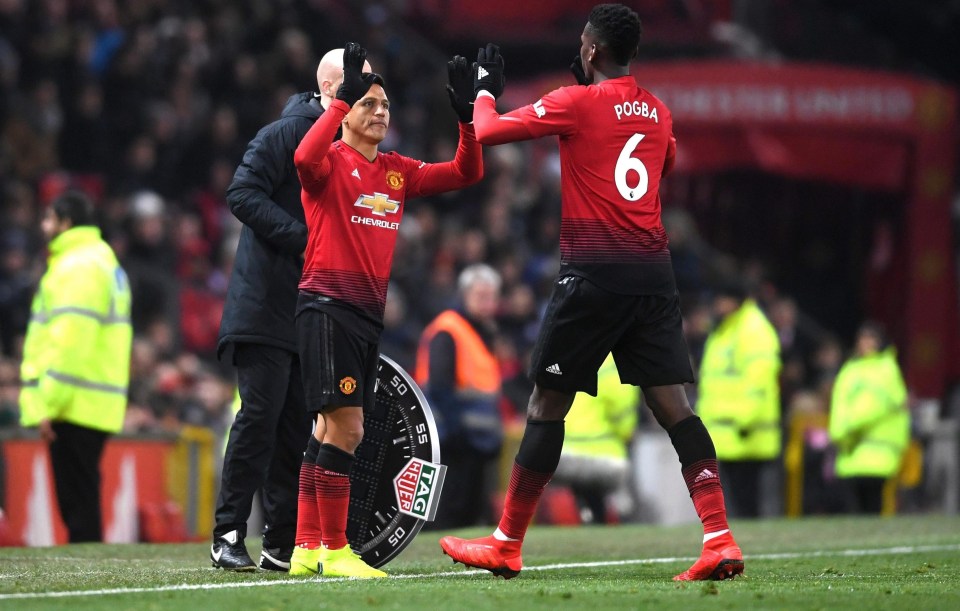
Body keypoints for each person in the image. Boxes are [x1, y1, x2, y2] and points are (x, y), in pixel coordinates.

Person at [439, 3, 744, 581]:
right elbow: (663, 164)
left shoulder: (575, 100)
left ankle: (506, 542)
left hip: (595, 274)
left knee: (545, 405)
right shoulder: (658, 111)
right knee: (675, 407)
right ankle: (719, 538)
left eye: (583, 43)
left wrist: (482, 92)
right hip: (653, 275)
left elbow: (490, 129)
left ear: (592, 51)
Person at [288, 43, 483, 578]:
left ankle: (307, 549)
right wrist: (337, 102)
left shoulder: (397, 172)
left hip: (363, 314)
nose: (379, 112)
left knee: (326, 432)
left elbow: (466, 173)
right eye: (368, 103)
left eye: (385, 106)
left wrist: (466, 119)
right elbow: (301, 159)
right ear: (346, 110)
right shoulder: (328, 162)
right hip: (328, 306)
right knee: (348, 431)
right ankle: (335, 550)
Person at [211, 48, 372, 572]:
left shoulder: (350, 149)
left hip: (311, 308)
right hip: (263, 305)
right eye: (362, 87)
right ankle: (229, 533)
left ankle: (281, 544)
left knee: (293, 430)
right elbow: (241, 193)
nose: (374, 98)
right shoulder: (287, 133)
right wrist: (305, 240)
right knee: (259, 419)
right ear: (332, 89)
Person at [18, 191, 132, 543]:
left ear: (66, 223)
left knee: (77, 505)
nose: (44, 226)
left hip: (74, 402)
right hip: (92, 399)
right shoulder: (101, 261)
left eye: (49, 218)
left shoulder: (78, 266)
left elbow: (70, 343)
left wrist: (48, 404)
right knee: (81, 498)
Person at [415, 263, 504, 529]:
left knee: (469, 513)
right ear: (464, 295)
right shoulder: (449, 330)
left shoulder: (484, 332)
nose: (488, 303)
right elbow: (440, 386)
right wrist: (456, 430)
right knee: (448, 512)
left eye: (492, 296)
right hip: (452, 440)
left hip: (476, 442)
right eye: (481, 296)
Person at [696, 281, 782, 518]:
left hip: (746, 432)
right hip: (727, 432)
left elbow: (759, 380)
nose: (717, 305)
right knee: (736, 500)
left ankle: (753, 545)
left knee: (747, 500)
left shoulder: (753, 328)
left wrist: (745, 420)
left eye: (722, 299)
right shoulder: (726, 329)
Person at [828, 322, 909, 514]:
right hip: (850, 453)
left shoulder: (886, 368)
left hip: (876, 453)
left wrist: (846, 427)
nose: (865, 343)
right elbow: (839, 404)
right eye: (862, 338)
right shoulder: (850, 368)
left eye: (870, 338)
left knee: (872, 508)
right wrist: (839, 432)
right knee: (853, 513)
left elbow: (874, 405)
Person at [553, 353, 639, 524]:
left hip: (567, 450)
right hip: (604, 453)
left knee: (586, 501)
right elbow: (621, 409)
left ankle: (587, 518)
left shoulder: (575, 353)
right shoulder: (612, 364)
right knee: (621, 505)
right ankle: (618, 522)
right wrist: (627, 432)